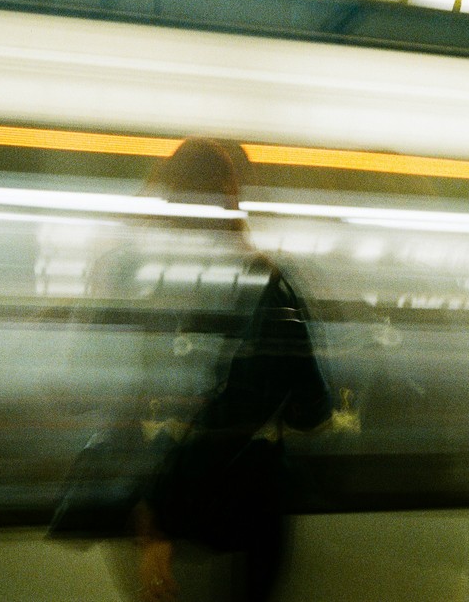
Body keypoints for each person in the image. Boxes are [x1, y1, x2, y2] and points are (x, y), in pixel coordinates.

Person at [129, 138, 332, 602]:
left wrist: (155, 514)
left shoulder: (162, 288)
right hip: (247, 521)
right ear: (229, 197)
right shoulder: (266, 284)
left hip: (176, 523)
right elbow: (307, 408)